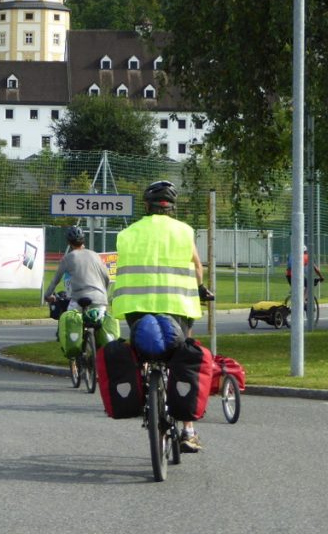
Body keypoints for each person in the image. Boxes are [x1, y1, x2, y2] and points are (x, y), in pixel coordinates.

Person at [112, 180, 213, 454]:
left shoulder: (128, 233)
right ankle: (189, 431)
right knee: (183, 357)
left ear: (147, 205)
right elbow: (196, 267)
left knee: (142, 350)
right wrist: (200, 287)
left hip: (136, 307)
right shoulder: (184, 231)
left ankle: (146, 393)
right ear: (172, 208)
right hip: (178, 306)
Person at [45, 225, 110, 314]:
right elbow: (107, 278)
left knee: (69, 321)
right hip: (100, 299)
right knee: (100, 323)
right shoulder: (95, 255)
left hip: (79, 299)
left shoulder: (68, 258)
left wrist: (47, 296)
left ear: (68, 242)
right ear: (83, 240)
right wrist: (103, 293)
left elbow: (55, 281)